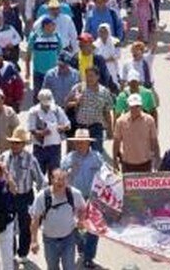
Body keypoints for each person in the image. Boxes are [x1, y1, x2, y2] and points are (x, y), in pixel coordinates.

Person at [0, 128, 45, 264]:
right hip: (8, 196)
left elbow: (40, 180)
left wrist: (42, 201)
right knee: (8, 225)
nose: (14, 145)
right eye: (13, 142)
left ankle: (23, 253)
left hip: (25, 196)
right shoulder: (4, 157)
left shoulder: (31, 159)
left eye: (17, 143)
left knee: (26, 226)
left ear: (24, 144)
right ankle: (10, 252)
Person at [59, 130, 103, 268]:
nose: (79, 145)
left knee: (93, 228)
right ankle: (81, 246)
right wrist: (69, 172)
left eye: (82, 142)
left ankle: (89, 257)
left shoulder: (97, 157)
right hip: (73, 198)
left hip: (92, 197)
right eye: (77, 142)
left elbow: (104, 176)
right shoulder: (68, 158)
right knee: (75, 227)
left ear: (88, 142)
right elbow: (60, 178)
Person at [29, 168, 86, 270]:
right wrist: (34, 241)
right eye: (58, 179)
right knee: (52, 267)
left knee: (69, 267)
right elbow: (35, 219)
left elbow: (82, 208)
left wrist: (81, 220)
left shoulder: (74, 194)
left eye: (64, 179)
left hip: (68, 238)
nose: (61, 182)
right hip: (50, 240)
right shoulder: (42, 197)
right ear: (51, 179)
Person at [112, 93, 160, 173]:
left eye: (137, 106)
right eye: (132, 107)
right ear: (128, 107)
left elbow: (154, 141)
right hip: (127, 164)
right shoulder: (120, 121)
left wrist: (157, 158)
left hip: (145, 163)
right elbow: (116, 142)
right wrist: (114, 160)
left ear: (141, 106)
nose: (135, 109)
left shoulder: (149, 120)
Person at [26, 89, 70, 176]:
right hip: (39, 147)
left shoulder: (57, 110)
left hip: (55, 147)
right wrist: (41, 133)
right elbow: (31, 129)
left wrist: (61, 128)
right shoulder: (33, 112)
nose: (47, 106)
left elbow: (67, 125)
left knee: (54, 174)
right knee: (39, 174)